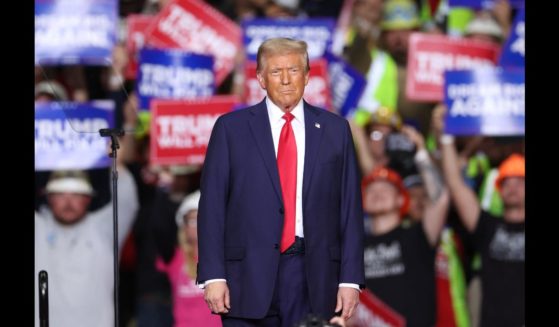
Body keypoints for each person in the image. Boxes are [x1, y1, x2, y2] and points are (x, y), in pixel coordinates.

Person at [197, 37, 365, 327]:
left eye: (294, 70)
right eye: (276, 72)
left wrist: (350, 280)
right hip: (245, 277)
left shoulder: (335, 130)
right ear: (261, 79)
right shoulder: (231, 129)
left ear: (308, 76)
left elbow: (350, 210)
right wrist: (213, 275)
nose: (286, 80)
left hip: (313, 276)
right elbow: (212, 207)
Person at [439, 111, 525, 326]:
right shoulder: (488, 226)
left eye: (520, 182)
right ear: (499, 190)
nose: (513, 188)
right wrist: (447, 134)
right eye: (507, 183)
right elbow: (454, 182)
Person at [34, 167, 139, 327]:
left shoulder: (105, 228)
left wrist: (114, 159)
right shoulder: (38, 229)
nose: (68, 202)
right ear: (48, 197)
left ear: (88, 198)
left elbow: (126, 198)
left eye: (76, 194)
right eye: (60, 194)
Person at [156, 190, 222, 327]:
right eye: (192, 220)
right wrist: (165, 187)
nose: (198, 225)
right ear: (183, 226)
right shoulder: (176, 257)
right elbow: (159, 226)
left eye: (202, 219)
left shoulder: (222, 257)